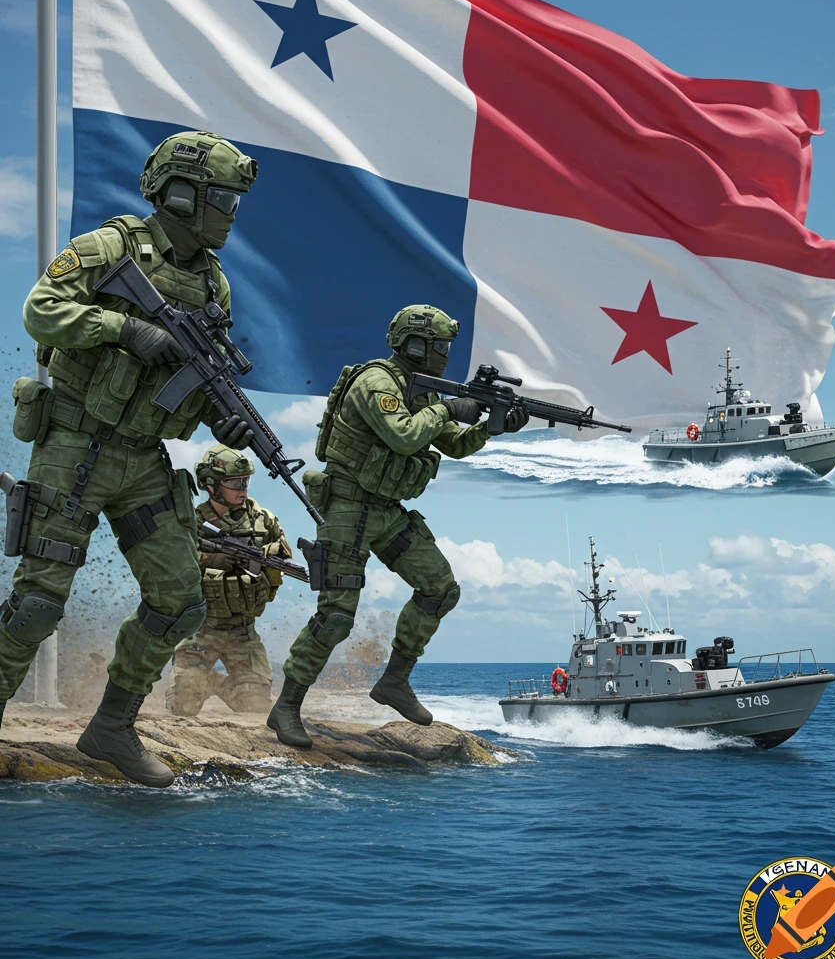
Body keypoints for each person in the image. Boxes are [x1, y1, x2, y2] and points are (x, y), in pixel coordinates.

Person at [0, 131, 257, 787]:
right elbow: (41, 309)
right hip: (74, 445)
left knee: (180, 604)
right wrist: (123, 328)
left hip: (142, 459)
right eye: (222, 196)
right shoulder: (110, 248)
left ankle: (110, 727)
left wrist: (220, 415)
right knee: (37, 606)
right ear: (180, 193)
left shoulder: (213, 286)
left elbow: (196, 379)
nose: (231, 211)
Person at [267, 305, 529, 749]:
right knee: (335, 617)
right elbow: (404, 436)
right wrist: (449, 408)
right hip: (348, 510)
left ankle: (394, 682)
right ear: (413, 344)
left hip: (387, 511)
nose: (445, 355)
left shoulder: (424, 393)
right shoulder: (377, 383)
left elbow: (456, 445)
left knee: (440, 588)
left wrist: (494, 426)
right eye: (439, 346)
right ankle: (287, 708)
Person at [166, 446, 292, 716]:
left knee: (255, 708)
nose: (242, 488)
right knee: (182, 705)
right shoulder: (193, 520)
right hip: (200, 627)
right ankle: (202, 681)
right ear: (211, 485)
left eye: (245, 481)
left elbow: (282, 556)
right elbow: (172, 558)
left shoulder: (263, 520)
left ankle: (217, 684)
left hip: (242, 631)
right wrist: (210, 560)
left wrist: (261, 561)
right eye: (234, 482)